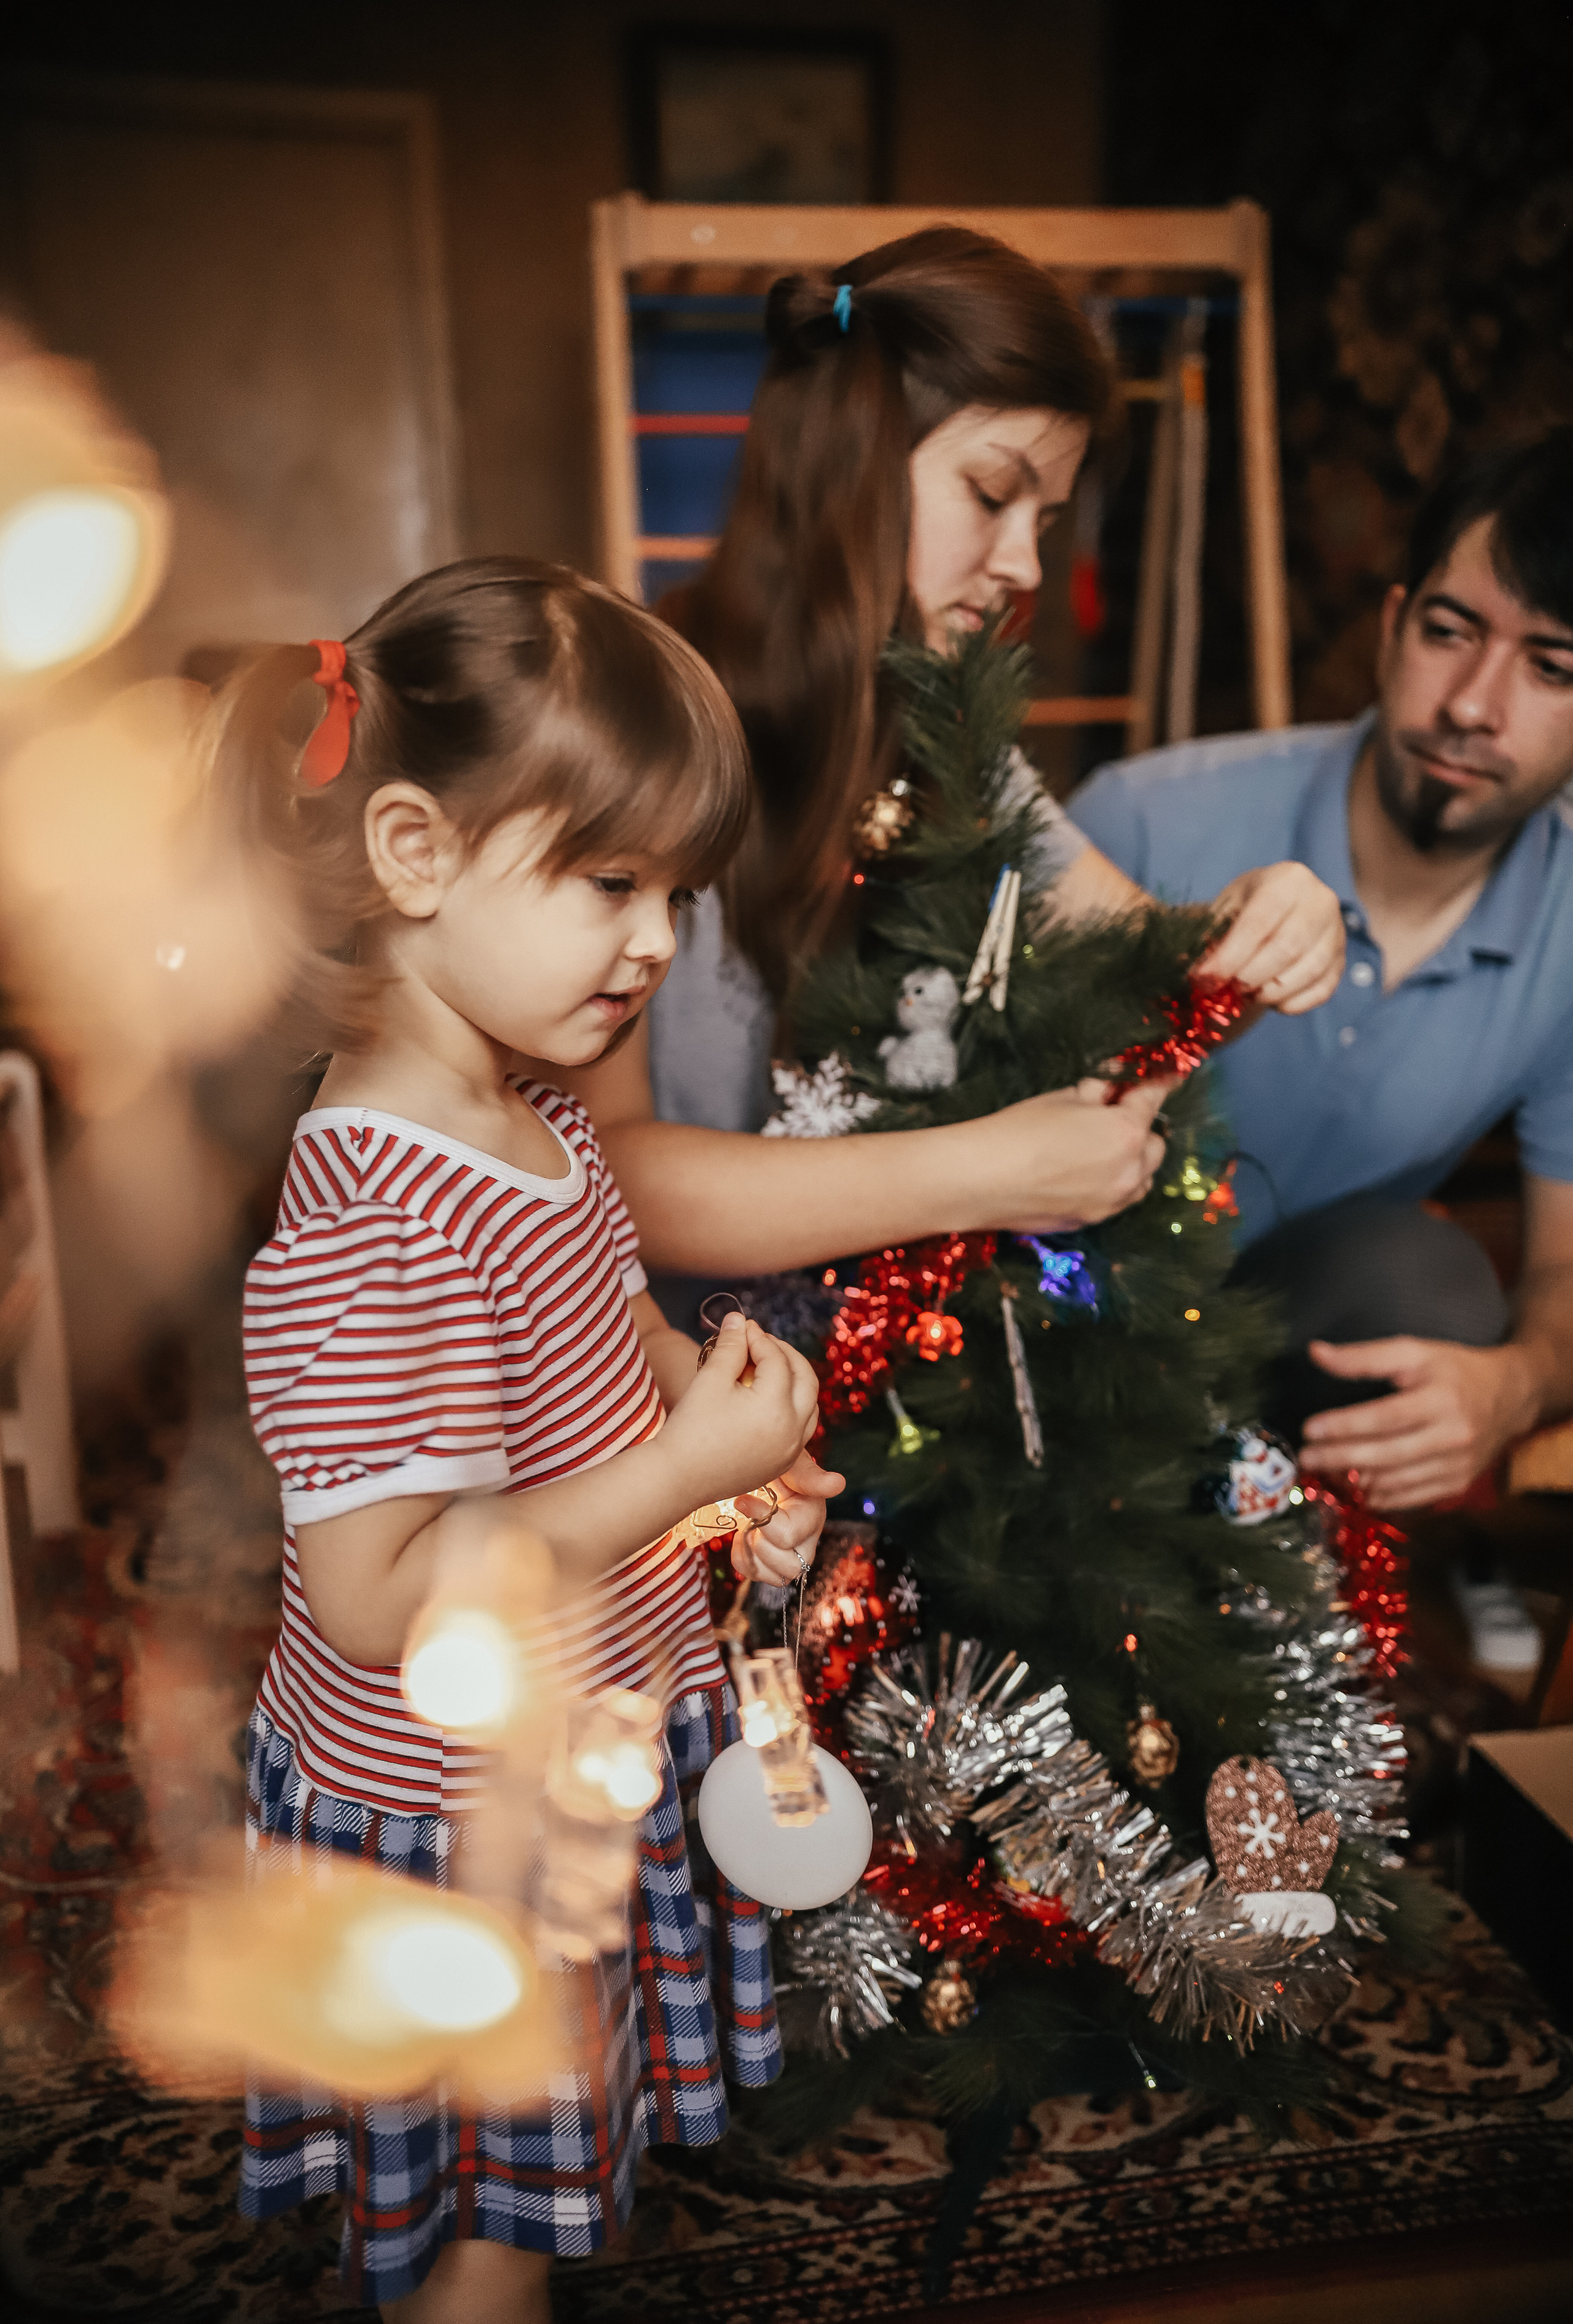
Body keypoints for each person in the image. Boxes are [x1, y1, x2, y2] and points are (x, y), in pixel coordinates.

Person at [211, 560, 841, 2323]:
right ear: (413, 854)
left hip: (590, 1729)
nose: (658, 942)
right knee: (486, 2230)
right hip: (453, 1814)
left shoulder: (531, 1106)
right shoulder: (372, 1217)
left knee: (579, 2147)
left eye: (678, 894)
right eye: (610, 882)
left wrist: (728, 1452)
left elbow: (597, 1332)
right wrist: (675, 1478)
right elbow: (380, 1598)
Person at [565, 227, 1345, 1314]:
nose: (1026, 565)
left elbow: (1151, 984)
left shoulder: (943, 735)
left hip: (893, 1373)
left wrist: (1269, 924)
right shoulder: (633, 726)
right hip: (673, 1387)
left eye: (1048, 519)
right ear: (848, 467)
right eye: (992, 494)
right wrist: (992, 1173)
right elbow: (611, 1178)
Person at [1071, 431, 1573, 1657]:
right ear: (1392, 625)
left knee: (1437, 1285)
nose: (1469, 704)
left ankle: (1277, 1630)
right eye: (1449, 631)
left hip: (1272, 1358)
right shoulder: (1144, 817)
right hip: (1056, 1335)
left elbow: (1561, 1278)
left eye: (1548, 664)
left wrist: (1507, 1392)